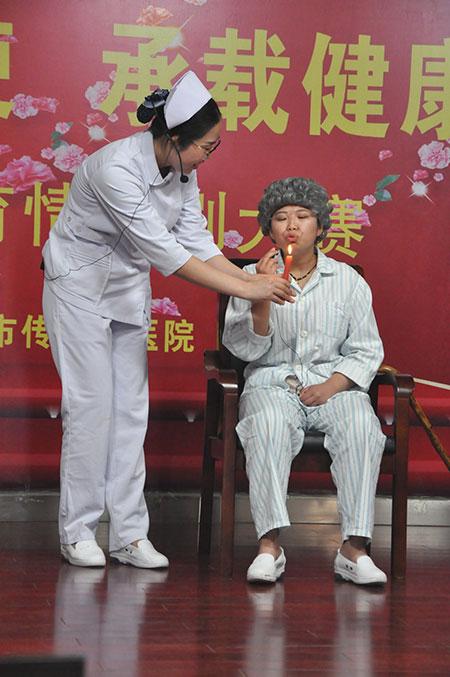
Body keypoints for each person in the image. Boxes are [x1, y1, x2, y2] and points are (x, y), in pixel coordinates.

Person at [42, 71, 292, 569]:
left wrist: (251, 278)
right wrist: (249, 289)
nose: (207, 158)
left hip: (126, 289)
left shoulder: (181, 170)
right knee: (91, 408)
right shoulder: (115, 168)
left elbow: (196, 241)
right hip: (78, 287)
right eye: (206, 147)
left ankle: (129, 535)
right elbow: (169, 255)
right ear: (175, 139)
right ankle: (78, 531)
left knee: (131, 411)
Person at [222, 177, 388, 586]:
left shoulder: (347, 280)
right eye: (281, 217)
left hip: (334, 386)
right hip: (271, 383)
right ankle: (269, 547)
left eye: (302, 216)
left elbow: (367, 350)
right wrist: (260, 296)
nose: (292, 225)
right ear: (269, 228)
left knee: (361, 426)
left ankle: (354, 549)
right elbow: (242, 350)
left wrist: (332, 386)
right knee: (267, 425)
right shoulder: (247, 277)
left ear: (320, 225)